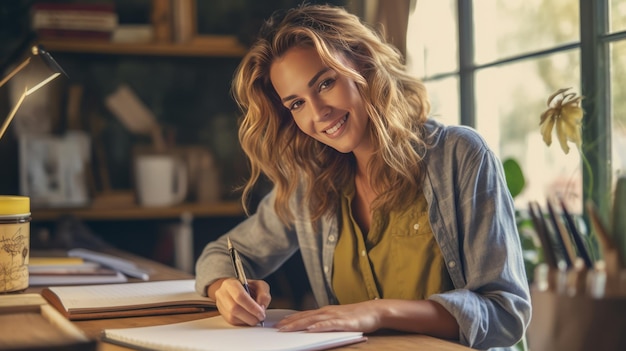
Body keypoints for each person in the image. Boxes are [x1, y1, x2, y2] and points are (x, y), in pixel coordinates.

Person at [195, 3, 531, 350]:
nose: (318, 113)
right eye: (296, 104)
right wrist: (225, 288)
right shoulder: (312, 184)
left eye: (325, 83)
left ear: (364, 64)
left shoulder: (460, 156)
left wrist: (378, 312)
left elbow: (506, 313)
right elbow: (222, 253)